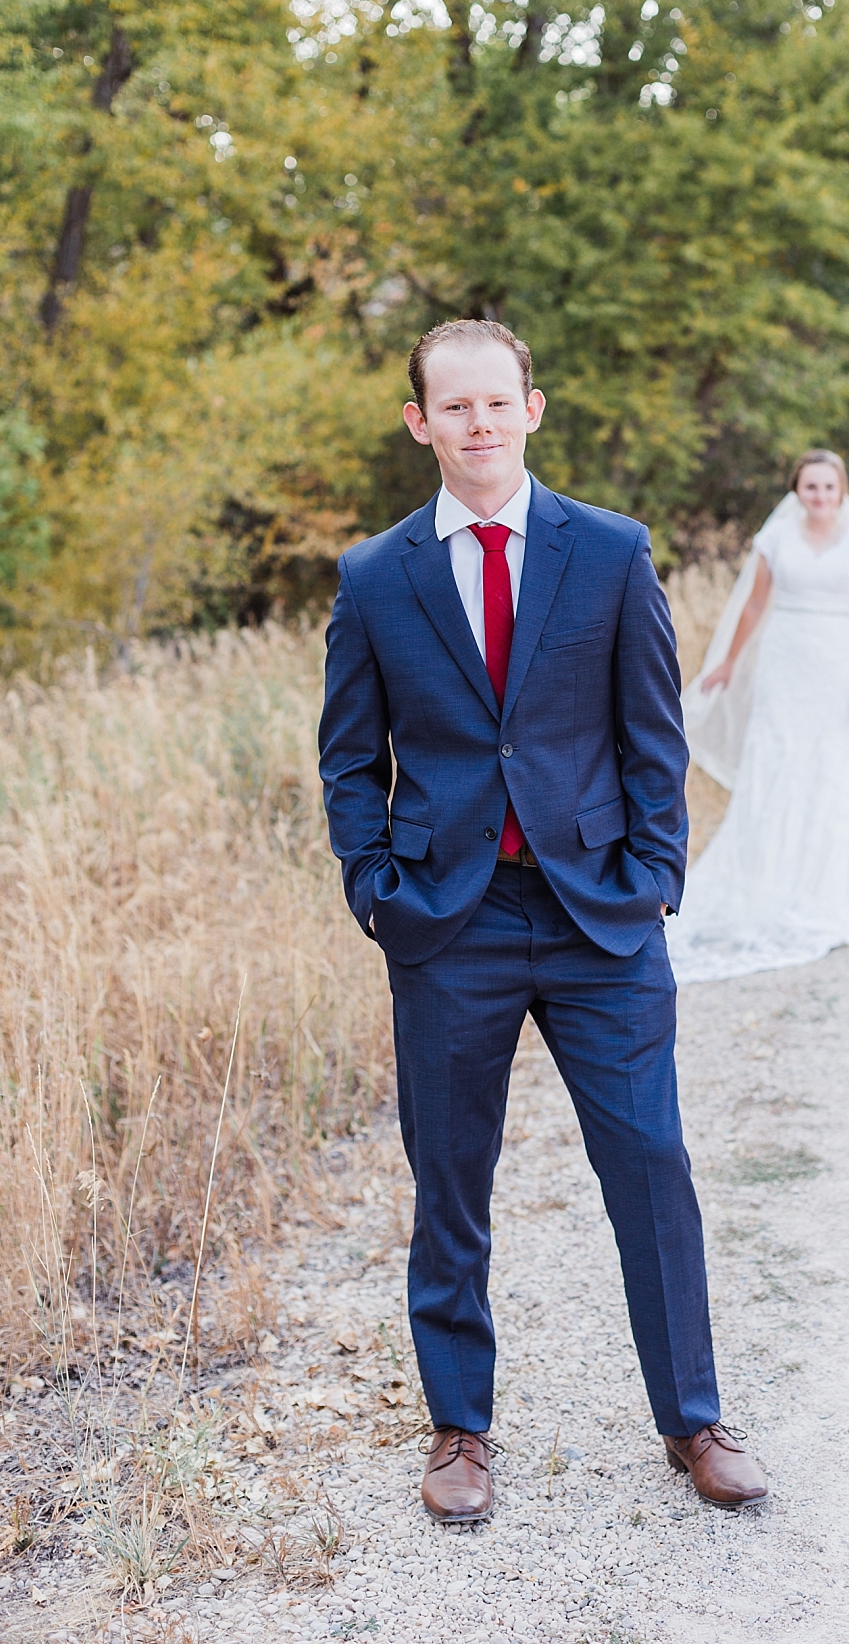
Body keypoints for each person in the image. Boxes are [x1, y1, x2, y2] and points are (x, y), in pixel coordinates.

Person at [319, 319, 767, 1523]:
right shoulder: (375, 577)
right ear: (420, 423)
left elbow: (653, 735)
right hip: (446, 925)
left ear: (533, 409)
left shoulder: (611, 553)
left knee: (652, 1164)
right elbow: (350, 761)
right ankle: (460, 1431)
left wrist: (654, 877)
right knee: (450, 1182)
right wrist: (375, 888)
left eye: (496, 404)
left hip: (598, 918)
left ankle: (694, 1418)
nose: (477, 425)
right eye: (451, 407)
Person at [666, 450, 849, 985]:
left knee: (830, 769)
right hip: (784, 666)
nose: (819, 497)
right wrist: (726, 663)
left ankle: (828, 891)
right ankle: (766, 880)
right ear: (796, 492)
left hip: (838, 665)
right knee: (778, 762)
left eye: (828, 488)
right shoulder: (776, 541)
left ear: (842, 492)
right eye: (810, 487)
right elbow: (752, 606)